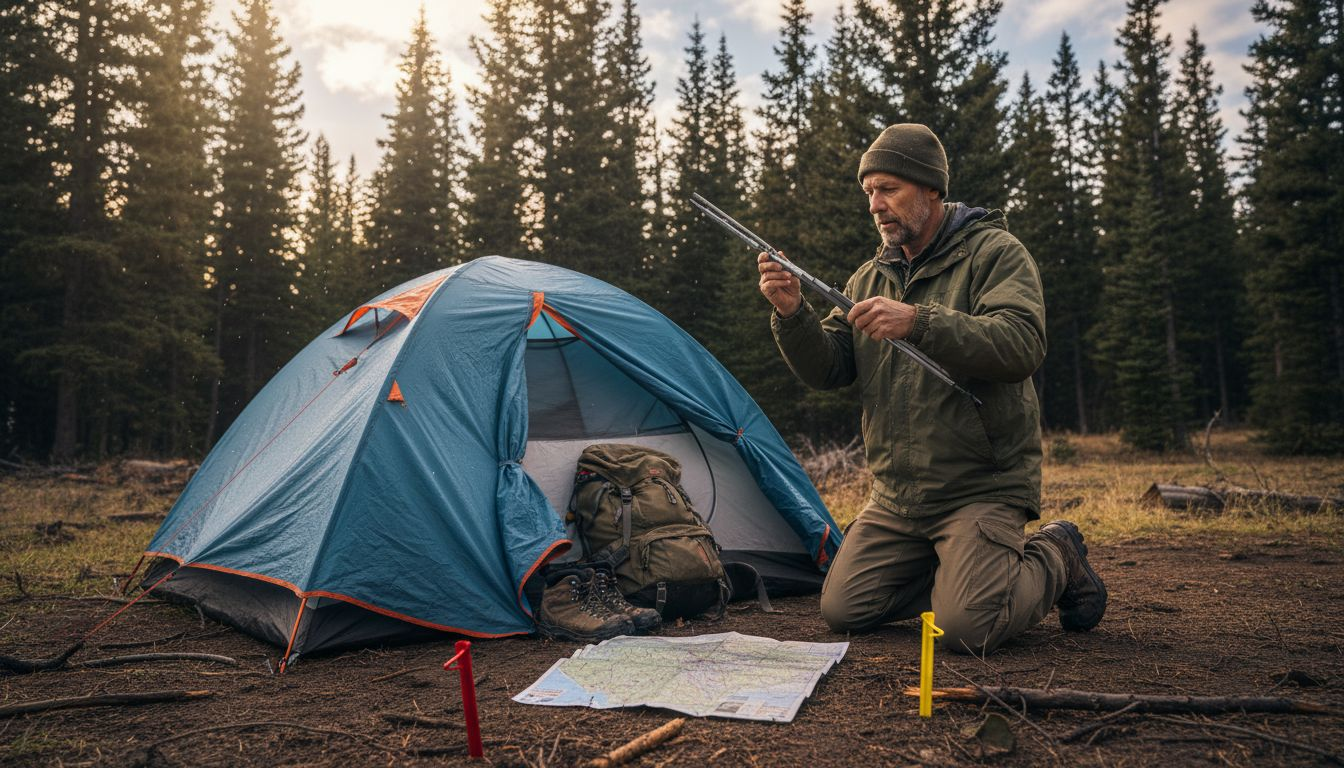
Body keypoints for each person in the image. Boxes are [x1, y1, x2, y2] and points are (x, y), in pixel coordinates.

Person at [759, 123, 1106, 654]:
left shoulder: (995, 253)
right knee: (843, 610)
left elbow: (1021, 345)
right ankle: (961, 581)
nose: (875, 204)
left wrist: (920, 321)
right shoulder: (869, 277)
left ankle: (1056, 555)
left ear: (931, 190)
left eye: (889, 189)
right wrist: (791, 313)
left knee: (967, 630)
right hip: (898, 497)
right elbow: (830, 368)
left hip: (980, 487)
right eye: (869, 191)